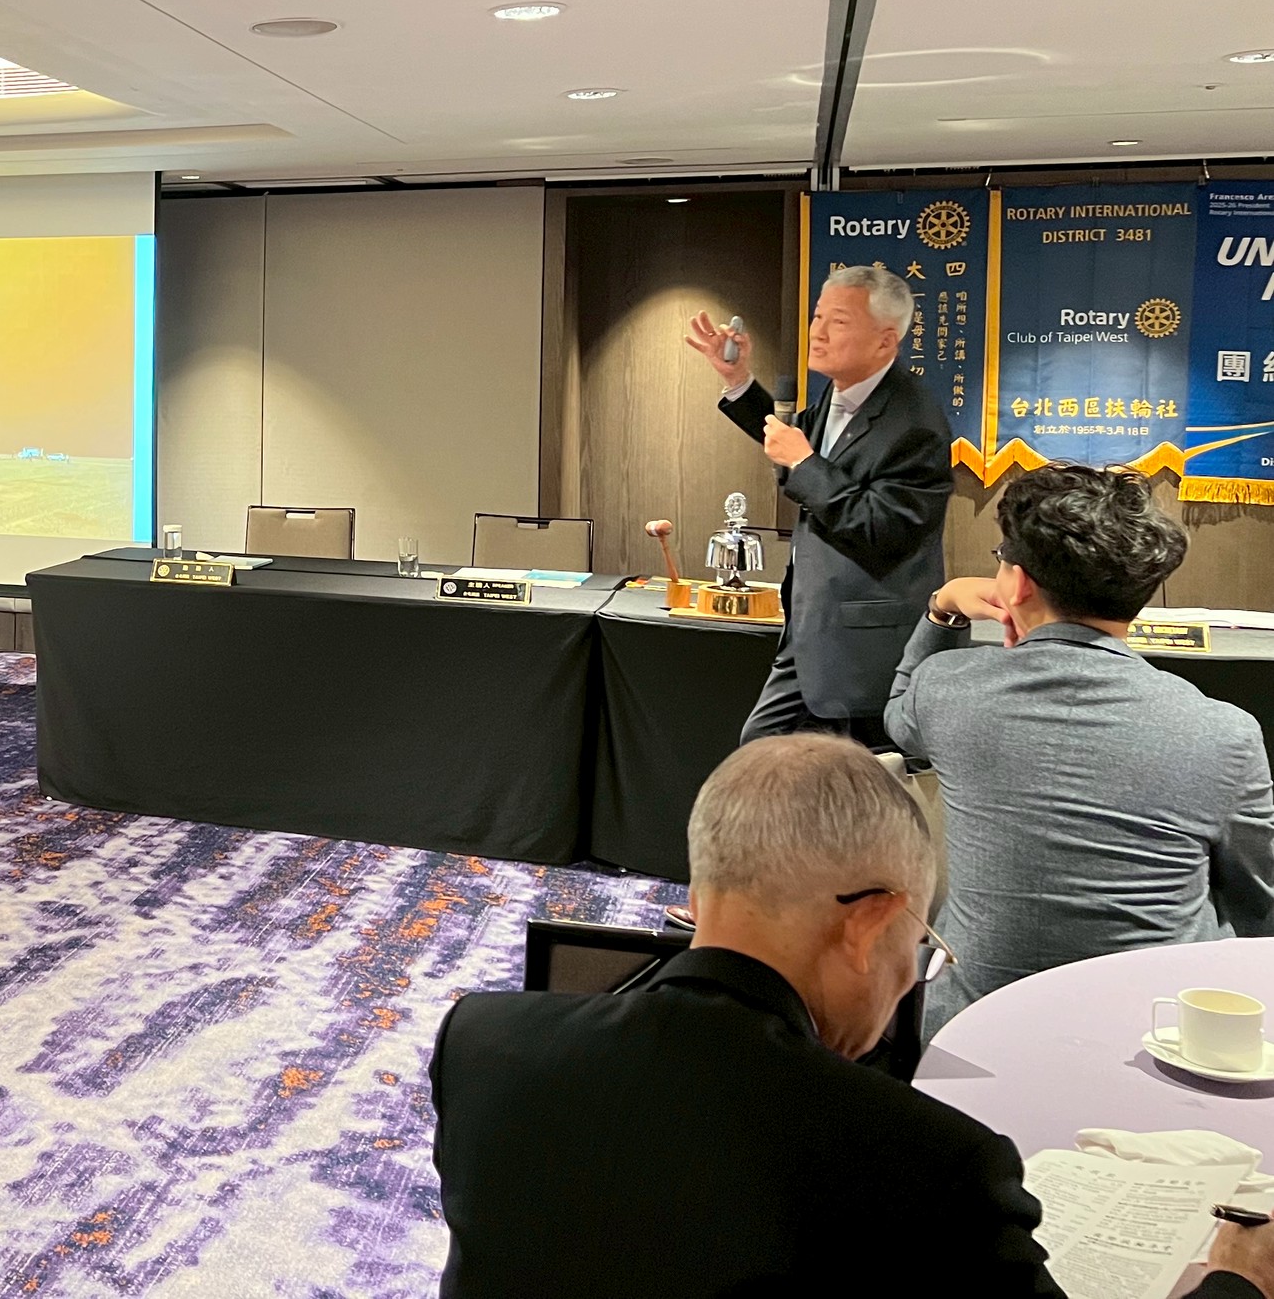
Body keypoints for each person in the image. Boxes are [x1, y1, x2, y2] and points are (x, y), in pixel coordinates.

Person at [429, 734, 1274, 1299]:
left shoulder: (483, 1042)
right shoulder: (930, 1162)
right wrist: (1238, 1279)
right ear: (871, 922)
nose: (913, 972)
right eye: (922, 938)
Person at [887, 463, 1274, 1026]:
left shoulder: (947, 689)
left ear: (1017, 584)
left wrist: (943, 606)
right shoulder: (1225, 733)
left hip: (971, 1025)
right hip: (1157, 1031)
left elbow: (898, 715)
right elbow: (1260, 897)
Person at [687, 264, 953, 744]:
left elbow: (882, 528)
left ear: (885, 342)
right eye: (818, 317)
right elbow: (790, 448)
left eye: (839, 321)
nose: (819, 332)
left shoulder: (915, 422)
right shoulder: (840, 393)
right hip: (812, 631)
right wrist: (738, 380)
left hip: (864, 648)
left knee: (850, 776)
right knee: (762, 752)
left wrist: (805, 461)